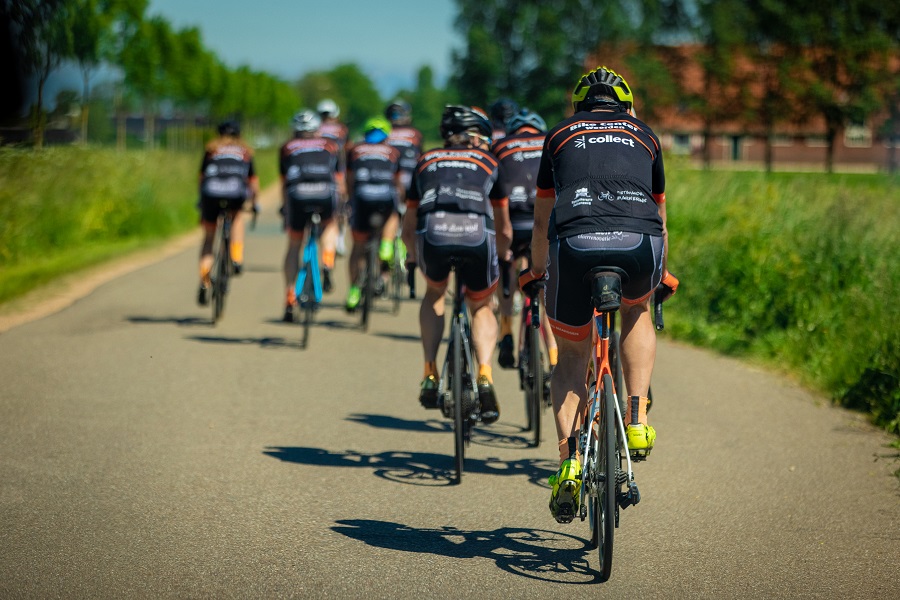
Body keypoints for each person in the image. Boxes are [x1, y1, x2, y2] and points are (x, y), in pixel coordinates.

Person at [517, 66, 679, 523]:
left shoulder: (558, 134)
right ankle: (637, 420)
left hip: (576, 243)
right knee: (636, 310)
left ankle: (569, 460)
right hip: (638, 243)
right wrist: (661, 273)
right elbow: (661, 216)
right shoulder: (646, 136)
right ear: (626, 106)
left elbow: (543, 215)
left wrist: (537, 271)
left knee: (571, 357)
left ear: (578, 105)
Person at [402, 105, 512, 425]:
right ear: (475, 137)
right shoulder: (490, 162)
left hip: (433, 234)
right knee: (482, 305)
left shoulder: (425, 160)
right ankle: (485, 374)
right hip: (476, 236)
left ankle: (429, 372)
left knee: (435, 293)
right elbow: (504, 227)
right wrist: (503, 255)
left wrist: (411, 256)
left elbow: (409, 223)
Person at [491, 108, 558, 378]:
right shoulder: (552, 141)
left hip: (514, 222)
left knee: (506, 267)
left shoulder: (500, 146)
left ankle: (506, 330)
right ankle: (554, 355)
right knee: (546, 291)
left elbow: (493, 192)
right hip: (547, 221)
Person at [279, 109, 343, 322]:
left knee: (294, 245)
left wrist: (284, 207)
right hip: (324, 193)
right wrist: (342, 203)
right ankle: (327, 262)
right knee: (330, 225)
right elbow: (339, 179)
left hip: (297, 194)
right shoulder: (330, 145)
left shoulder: (287, 147)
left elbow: (283, 182)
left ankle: (290, 295)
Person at [344, 116, 404, 311]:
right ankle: (386, 245)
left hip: (361, 197)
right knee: (393, 214)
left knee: (357, 248)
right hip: (385, 196)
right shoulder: (393, 152)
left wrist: (350, 200)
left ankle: (354, 292)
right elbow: (397, 182)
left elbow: (349, 179)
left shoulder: (355, 150)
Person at [197, 119, 258, 305]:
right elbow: (253, 181)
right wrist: (254, 203)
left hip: (210, 193)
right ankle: (236, 257)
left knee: (209, 238)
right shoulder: (245, 151)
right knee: (237, 217)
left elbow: (201, 177)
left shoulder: (211, 149)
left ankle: (204, 280)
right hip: (234, 192)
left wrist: (201, 200)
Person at [382, 99, 423, 268]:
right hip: (411, 180)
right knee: (411, 214)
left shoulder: (384, 132)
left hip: (389, 180)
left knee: (389, 214)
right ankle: (409, 249)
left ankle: (386, 246)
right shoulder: (415, 134)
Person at [317, 98, 350, 257]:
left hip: (320, 170)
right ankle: (340, 238)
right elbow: (348, 150)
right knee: (340, 206)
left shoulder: (316, 128)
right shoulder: (342, 129)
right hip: (339, 169)